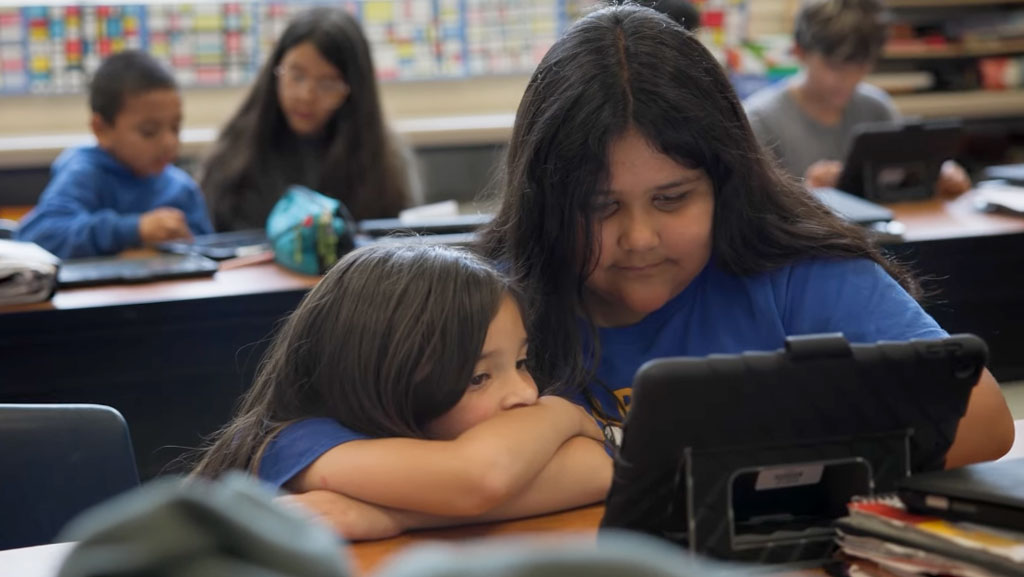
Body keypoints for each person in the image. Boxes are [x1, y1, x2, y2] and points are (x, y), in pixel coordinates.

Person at [478, 5, 1013, 468]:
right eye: (599, 206)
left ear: (726, 183)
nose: (639, 238)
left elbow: (982, 417)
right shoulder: (485, 304)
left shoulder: (794, 269)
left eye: (672, 199)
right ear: (544, 201)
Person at [192, 242, 611, 539]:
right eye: (478, 377)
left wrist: (393, 517)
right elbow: (477, 479)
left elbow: (595, 469)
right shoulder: (297, 444)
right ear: (383, 374)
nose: (524, 393)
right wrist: (562, 414)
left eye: (521, 363)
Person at [199, 6, 421, 232]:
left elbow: (394, 244)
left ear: (353, 91)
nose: (306, 96)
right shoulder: (235, 149)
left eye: (327, 84)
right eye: (296, 75)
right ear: (276, 69)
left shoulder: (385, 160)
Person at [743, 0, 971, 196]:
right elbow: (751, 215)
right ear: (800, 52)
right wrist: (805, 196)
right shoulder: (759, 122)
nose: (849, 79)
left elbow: (902, 179)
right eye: (834, 67)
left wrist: (936, 174)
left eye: (860, 66)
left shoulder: (876, 108)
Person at [17, 50, 212, 258]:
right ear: (101, 129)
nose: (169, 142)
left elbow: (208, 250)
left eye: (175, 127)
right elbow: (40, 238)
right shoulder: (84, 173)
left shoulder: (181, 189)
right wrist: (135, 229)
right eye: (149, 132)